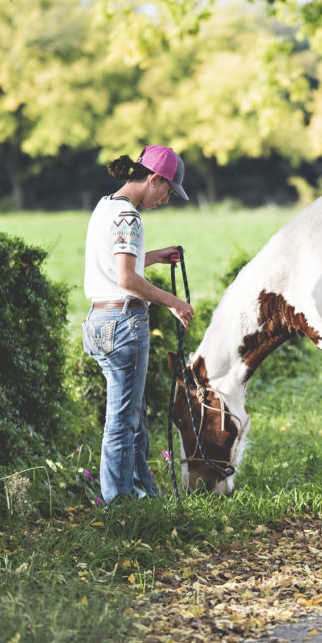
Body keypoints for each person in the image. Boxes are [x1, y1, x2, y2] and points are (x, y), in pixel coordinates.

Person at [82, 145, 195, 504]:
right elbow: (128, 281)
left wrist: (156, 257)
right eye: (168, 192)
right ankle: (120, 504)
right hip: (124, 321)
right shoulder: (129, 217)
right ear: (154, 178)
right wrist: (174, 302)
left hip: (98, 321)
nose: (166, 200)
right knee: (121, 422)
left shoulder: (106, 207)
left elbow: (116, 267)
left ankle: (141, 491)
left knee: (131, 417)